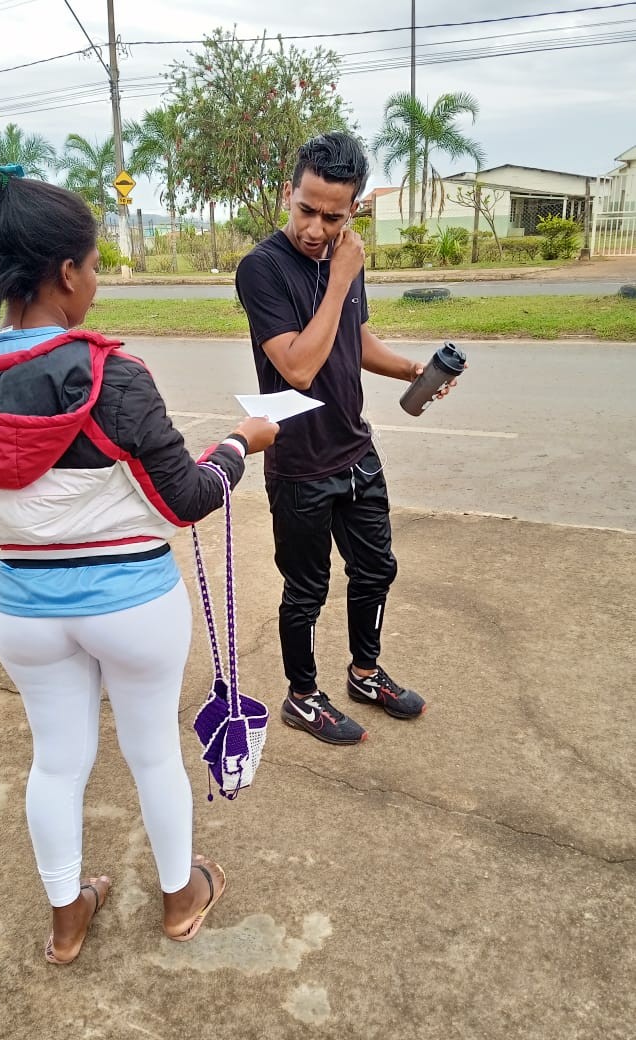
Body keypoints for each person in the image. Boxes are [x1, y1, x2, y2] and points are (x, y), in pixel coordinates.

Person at [0, 165, 278, 963]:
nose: (97, 283)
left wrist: (23, 509)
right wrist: (240, 444)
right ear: (67, 272)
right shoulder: (112, 378)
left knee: (57, 761)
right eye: (96, 266)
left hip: (25, 613)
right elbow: (186, 499)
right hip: (134, 607)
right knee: (153, 754)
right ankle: (180, 899)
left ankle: (68, 918)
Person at [236, 131, 457, 747]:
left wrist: (413, 370)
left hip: (355, 450)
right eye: (306, 209)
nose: (316, 228)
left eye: (333, 217)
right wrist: (338, 279)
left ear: (352, 209)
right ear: (289, 194)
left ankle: (364, 674)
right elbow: (298, 366)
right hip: (299, 462)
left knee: (376, 569)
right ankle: (302, 697)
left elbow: (353, 339)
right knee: (307, 590)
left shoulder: (345, 257)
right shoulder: (261, 269)